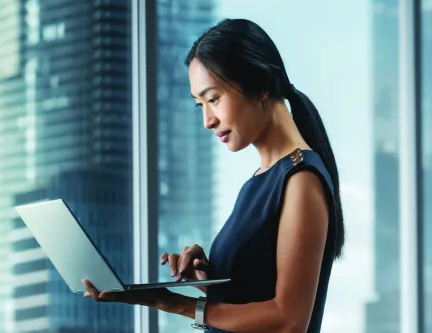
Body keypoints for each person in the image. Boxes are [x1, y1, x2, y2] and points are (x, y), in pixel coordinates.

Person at [82, 18, 345, 333]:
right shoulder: (259, 182)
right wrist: (206, 281)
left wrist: (173, 302)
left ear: (260, 86)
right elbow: (253, 298)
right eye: (200, 105)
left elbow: (288, 321)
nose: (207, 120)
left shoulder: (301, 179)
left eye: (214, 99)